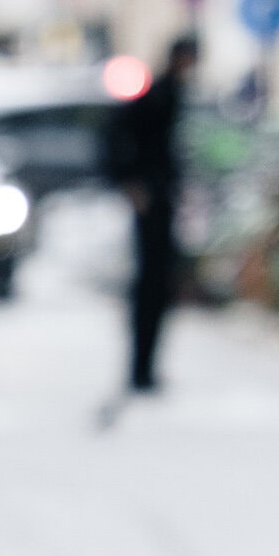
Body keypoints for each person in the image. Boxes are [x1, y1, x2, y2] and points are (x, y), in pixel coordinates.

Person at [109, 33, 198, 393]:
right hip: (153, 201)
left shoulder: (169, 92)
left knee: (156, 286)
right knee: (151, 285)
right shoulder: (158, 94)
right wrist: (132, 183)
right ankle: (140, 369)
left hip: (160, 198)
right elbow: (122, 138)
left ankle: (144, 368)